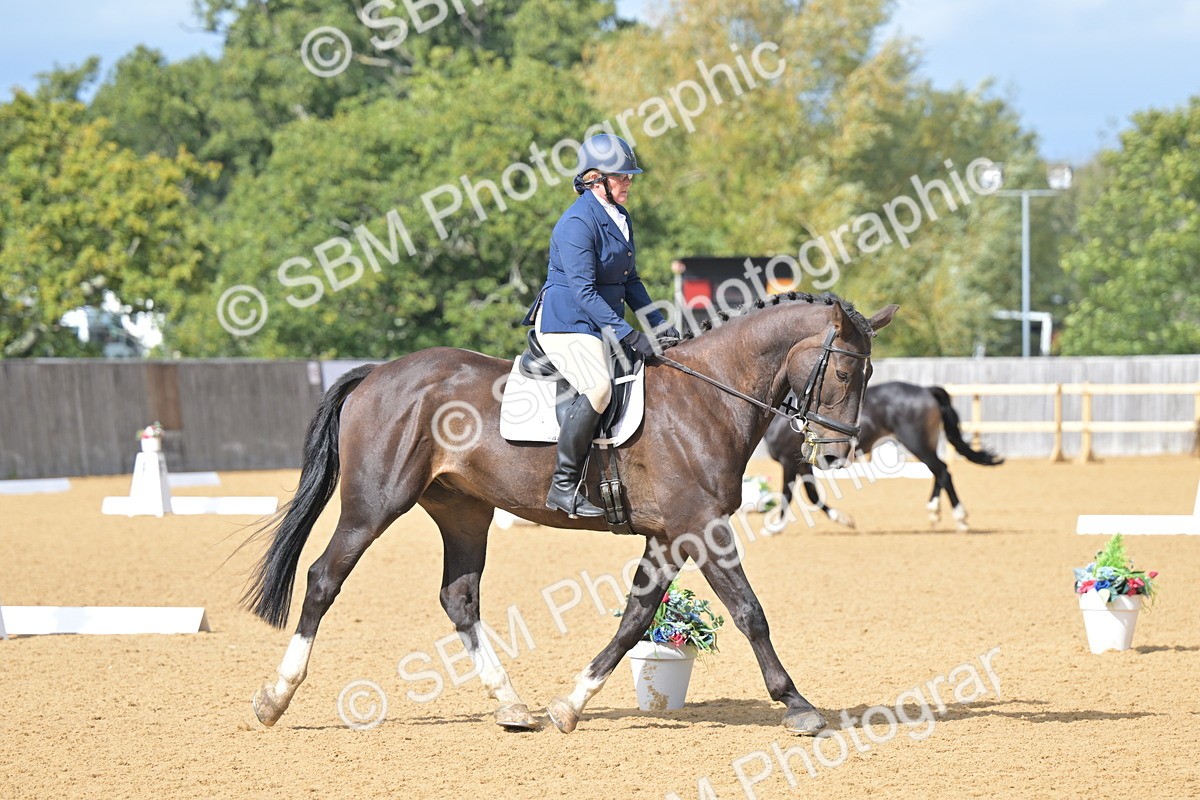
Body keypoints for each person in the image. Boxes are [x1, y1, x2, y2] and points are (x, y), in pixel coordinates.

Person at [521, 133, 680, 518]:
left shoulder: (620, 217)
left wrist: (658, 326)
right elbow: (583, 292)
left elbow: (631, 281)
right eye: (621, 176)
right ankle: (563, 486)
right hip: (567, 323)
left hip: (599, 322)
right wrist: (627, 333)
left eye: (629, 176)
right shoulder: (576, 223)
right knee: (598, 387)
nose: (629, 182)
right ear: (594, 179)